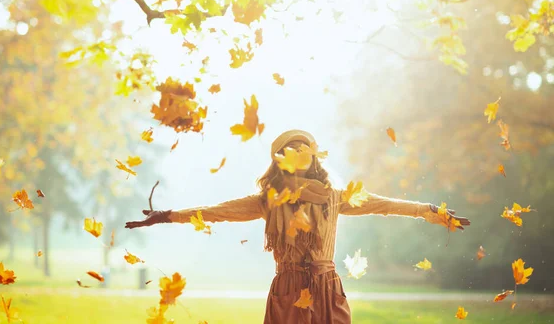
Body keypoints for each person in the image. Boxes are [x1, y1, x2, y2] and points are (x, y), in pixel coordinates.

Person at [125, 129, 470, 323]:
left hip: (327, 287)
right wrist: (167, 215)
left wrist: (427, 210)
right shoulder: (268, 200)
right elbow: (218, 211)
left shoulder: (336, 196)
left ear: (314, 158)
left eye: (305, 151)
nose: (300, 157)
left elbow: (382, 204)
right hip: (289, 290)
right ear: (280, 161)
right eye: (291, 152)